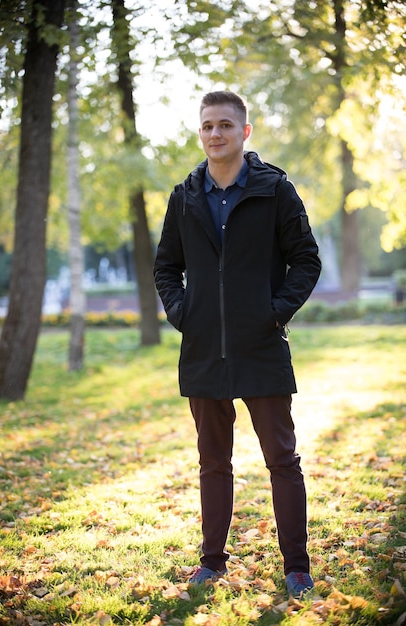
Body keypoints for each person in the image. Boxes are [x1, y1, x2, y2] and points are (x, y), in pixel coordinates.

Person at [154, 90, 322, 598]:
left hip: (262, 346)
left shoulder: (275, 191)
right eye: (207, 125)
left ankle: (296, 567)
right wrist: (185, 314)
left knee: (282, 461)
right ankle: (212, 561)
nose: (215, 134)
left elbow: (306, 260)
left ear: (244, 131)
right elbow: (166, 266)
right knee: (212, 462)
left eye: (225, 125)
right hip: (204, 349)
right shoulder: (184, 197)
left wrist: (273, 315)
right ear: (200, 131)